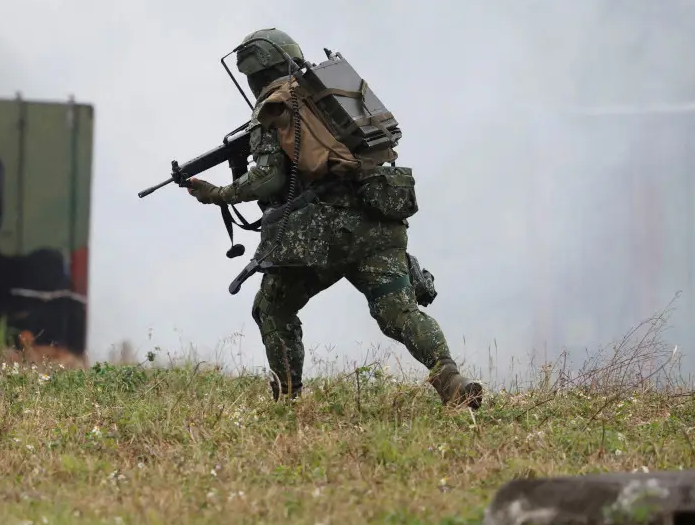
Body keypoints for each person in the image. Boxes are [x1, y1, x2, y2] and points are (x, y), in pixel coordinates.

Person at [183, 28, 484, 410]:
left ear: (254, 73)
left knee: (272, 309)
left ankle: (287, 403)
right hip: (379, 215)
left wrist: (219, 194)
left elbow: (269, 177)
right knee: (398, 311)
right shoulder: (328, 97)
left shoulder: (276, 107)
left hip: (324, 232)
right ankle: (451, 381)